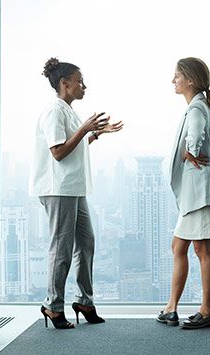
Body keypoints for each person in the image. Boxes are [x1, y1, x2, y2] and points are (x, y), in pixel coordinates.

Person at [30, 57, 123, 329]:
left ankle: (84, 300)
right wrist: (85, 129)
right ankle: (52, 305)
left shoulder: (68, 111)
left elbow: (74, 147)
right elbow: (58, 153)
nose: (85, 85)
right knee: (62, 248)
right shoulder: (54, 111)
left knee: (86, 242)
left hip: (73, 188)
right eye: (80, 81)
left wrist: (96, 134)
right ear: (64, 83)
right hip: (58, 189)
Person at [157, 57, 210, 330]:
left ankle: (206, 311)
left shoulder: (196, 109)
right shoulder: (201, 106)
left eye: (177, 76)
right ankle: (171, 307)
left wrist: (190, 152)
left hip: (200, 193)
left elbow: (195, 142)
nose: (173, 81)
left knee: (203, 249)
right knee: (180, 246)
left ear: (190, 80)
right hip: (196, 194)